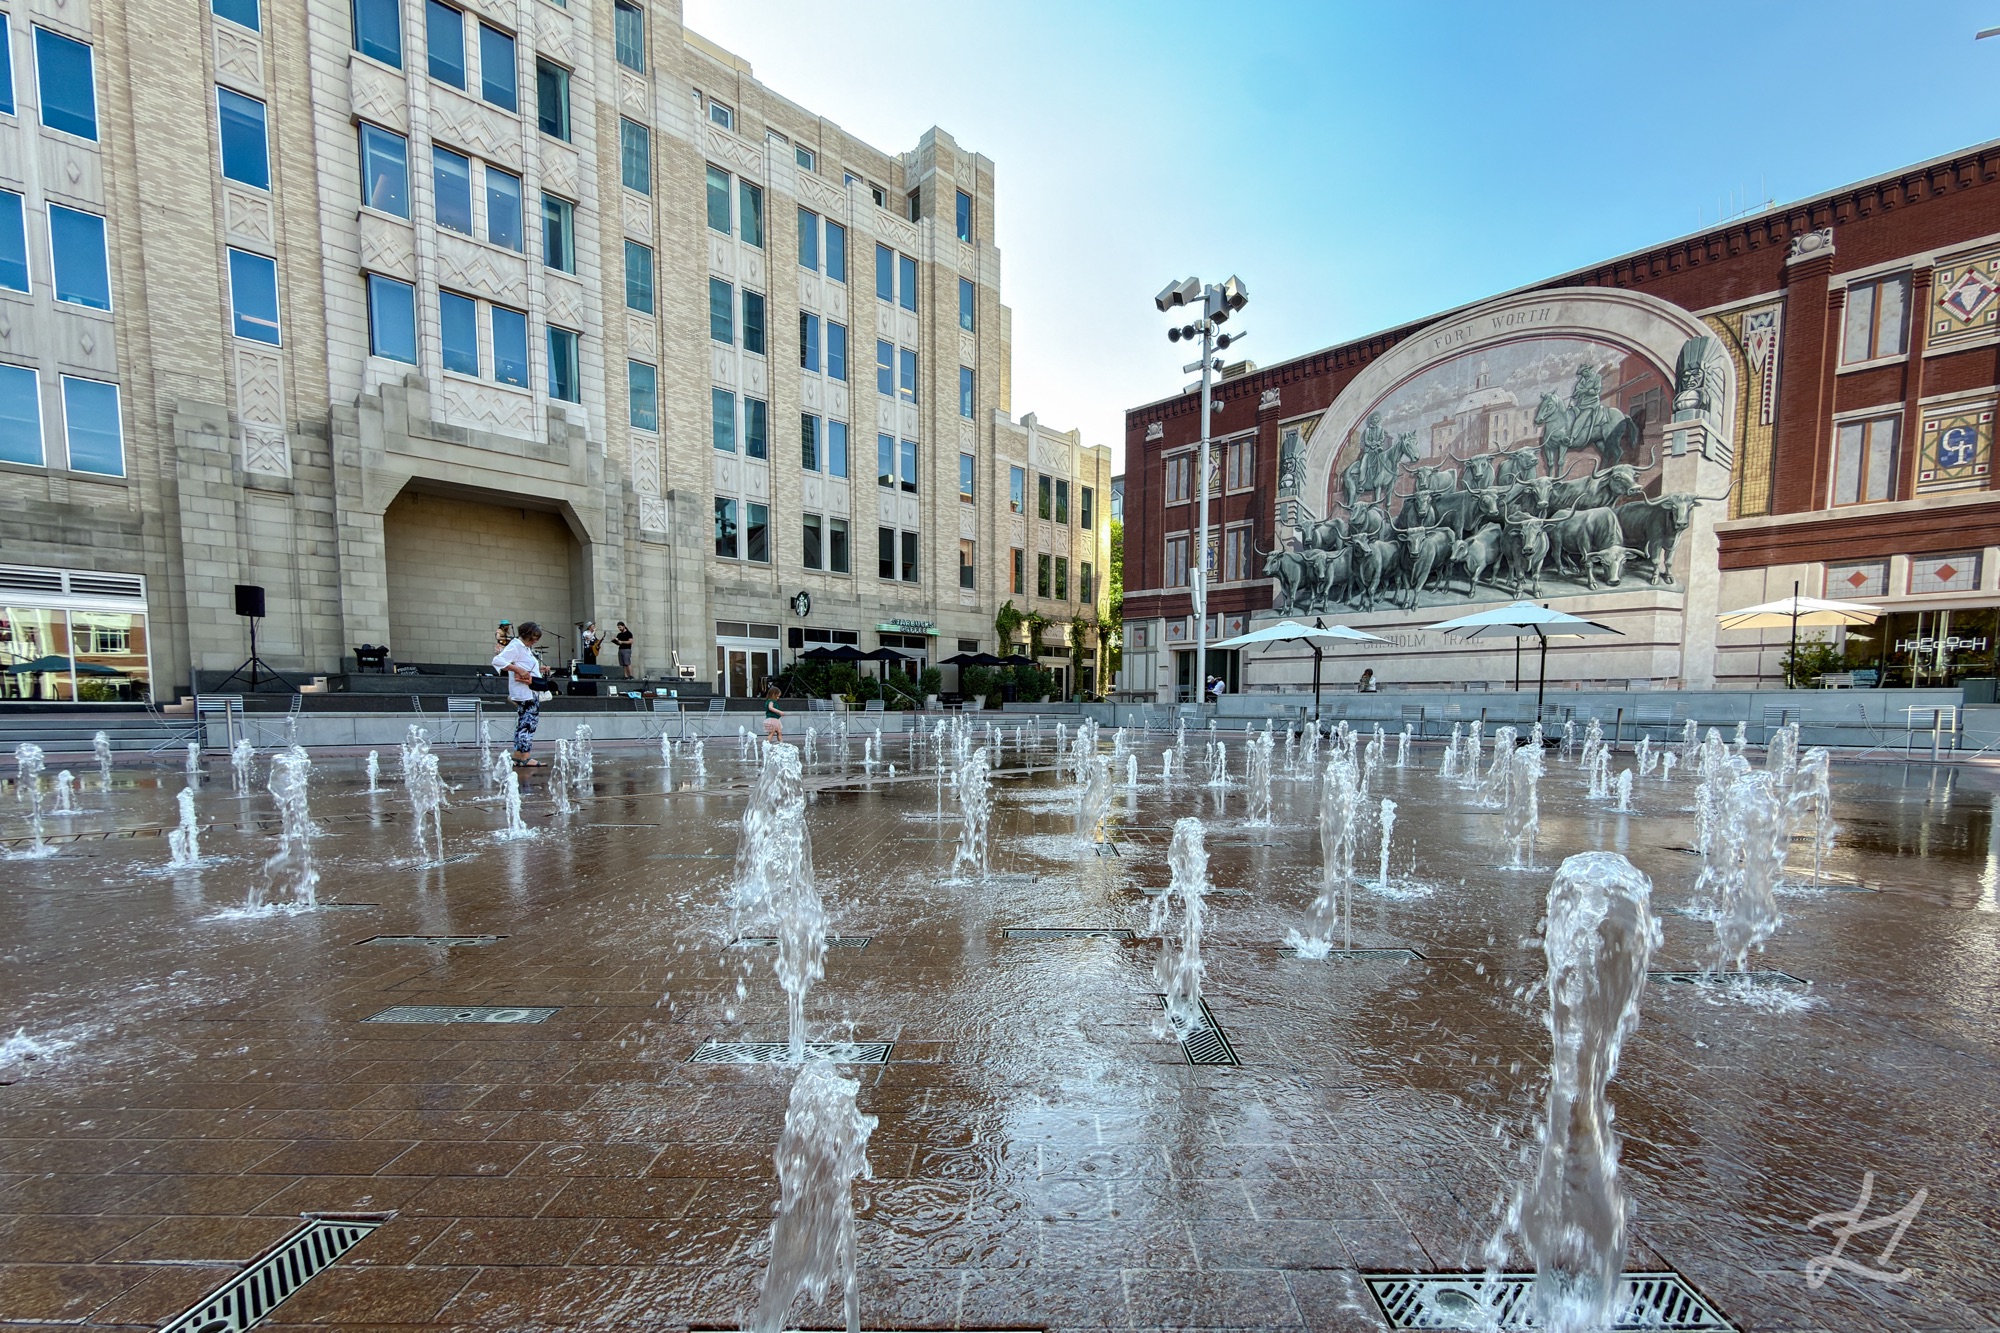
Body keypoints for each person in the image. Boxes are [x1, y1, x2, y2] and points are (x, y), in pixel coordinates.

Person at [493, 621, 546, 766]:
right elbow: (497, 661)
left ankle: (518, 755)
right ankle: (525, 757)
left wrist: (538, 670)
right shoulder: (516, 646)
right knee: (528, 724)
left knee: (524, 723)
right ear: (526, 635)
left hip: (528, 692)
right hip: (525, 693)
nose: (535, 640)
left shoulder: (523, 647)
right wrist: (518, 670)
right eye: (534, 637)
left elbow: (523, 664)